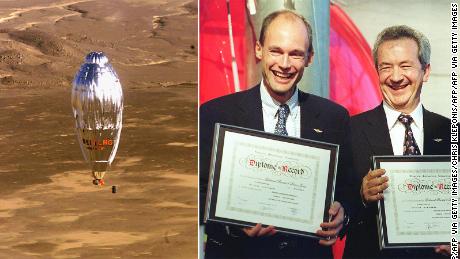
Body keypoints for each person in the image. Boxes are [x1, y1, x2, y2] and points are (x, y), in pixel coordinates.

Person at [200, 10, 354, 258]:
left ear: (309, 58)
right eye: (276, 51)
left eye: (295, 54)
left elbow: (350, 188)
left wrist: (343, 214)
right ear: (259, 49)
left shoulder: (333, 117)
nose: (284, 64)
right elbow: (196, 194)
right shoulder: (215, 114)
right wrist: (232, 222)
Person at [343, 25, 451, 258]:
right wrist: (361, 196)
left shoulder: (452, 134)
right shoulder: (349, 130)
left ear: (426, 71)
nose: (395, 77)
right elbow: (331, 211)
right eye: (386, 67)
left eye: (405, 66)